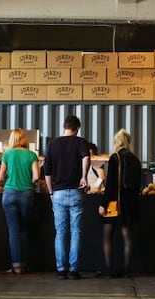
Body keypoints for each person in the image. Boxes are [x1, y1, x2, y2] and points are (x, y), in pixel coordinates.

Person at [44, 115, 91, 280]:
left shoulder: (52, 144)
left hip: (58, 193)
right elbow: (86, 157)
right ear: (77, 128)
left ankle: (61, 269)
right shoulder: (80, 142)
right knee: (76, 232)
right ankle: (73, 270)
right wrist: (84, 176)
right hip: (76, 192)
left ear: (64, 127)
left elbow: (47, 172)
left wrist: (50, 192)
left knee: (60, 232)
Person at [98, 128, 141, 278]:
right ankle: (127, 269)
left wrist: (103, 204)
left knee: (107, 236)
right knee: (127, 237)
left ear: (117, 142)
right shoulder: (135, 160)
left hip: (114, 203)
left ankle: (109, 269)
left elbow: (111, 185)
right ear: (128, 142)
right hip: (130, 204)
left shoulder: (115, 157)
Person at [0, 128, 40, 274]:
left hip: (9, 194)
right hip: (26, 195)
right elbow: (36, 177)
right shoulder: (31, 155)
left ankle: (16, 266)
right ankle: (25, 264)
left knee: (13, 231)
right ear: (24, 140)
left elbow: (0, 177)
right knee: (24, 229)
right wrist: (30, 181)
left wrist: (6, 180)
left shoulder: (7, 154)